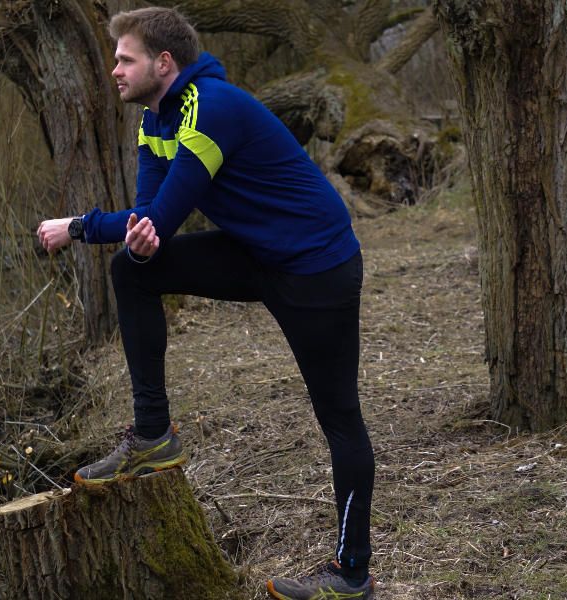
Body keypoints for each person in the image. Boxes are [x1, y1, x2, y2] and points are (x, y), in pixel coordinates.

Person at [35, 7, 375, 599]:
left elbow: (165, 213)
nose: (114, 69)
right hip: (256, 255)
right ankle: (152, 436)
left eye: (125, 59)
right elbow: (148, 219)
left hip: (317, 267)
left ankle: (351, 576)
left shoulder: (209, 109)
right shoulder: (153, 119)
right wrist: (138, 238)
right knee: (132, 270)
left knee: (339, 420)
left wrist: (81, 225)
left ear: (164, 64)